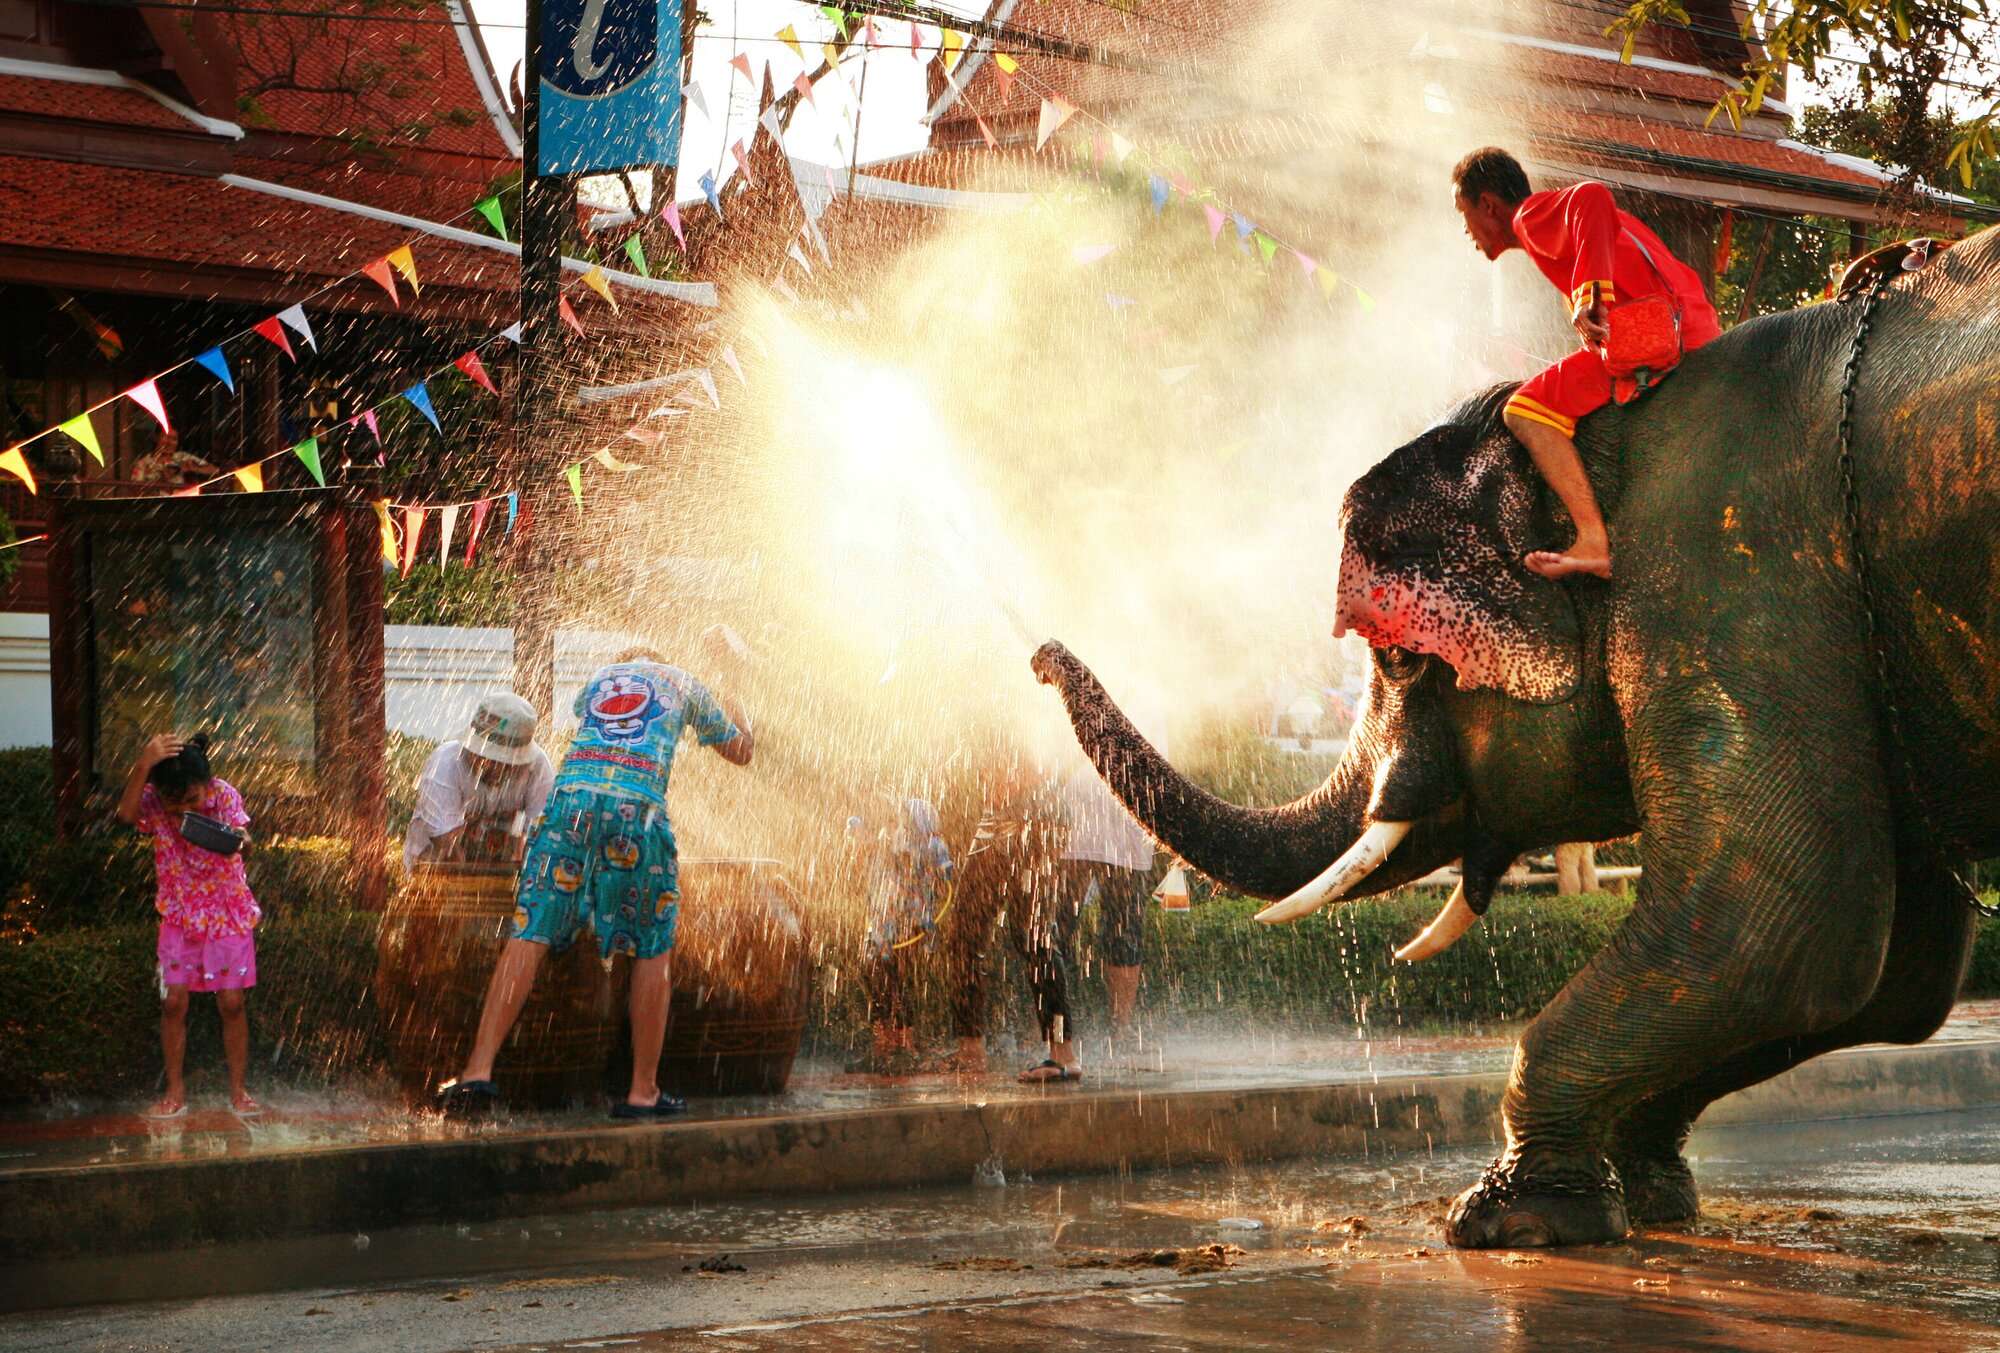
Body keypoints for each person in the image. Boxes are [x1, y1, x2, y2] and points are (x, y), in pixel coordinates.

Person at [437, 647, 753, 1119]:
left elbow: (592, 721)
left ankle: (477, 1072)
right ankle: (642, 1091)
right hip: (636, 810)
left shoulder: (603, 678)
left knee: (530, 931)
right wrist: (738, 687)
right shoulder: (686, 682)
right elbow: (742, 752)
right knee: (651, 946)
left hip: (569, 806)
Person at [1451, 147, 1722, 579]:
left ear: (1488, 205)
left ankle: (1593, 539)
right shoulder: (1557, 228)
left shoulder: (1530, 215)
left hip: (1655, 337)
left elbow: (1592, 195)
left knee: (1523, 411)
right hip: (1686, 327)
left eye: (1462, 213)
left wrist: (1590, 293)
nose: (1466, 231)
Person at [115, 732, 262, 1120]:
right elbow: (126, 816)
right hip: (179, 915)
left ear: (207, 786)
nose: (181, 813)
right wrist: (143, 764)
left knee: (231, 1003)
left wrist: (235, 840)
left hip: (226, 913)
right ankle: (175, 1089)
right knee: (173, 1002)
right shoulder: (152, 800)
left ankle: (238, 1090)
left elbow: (247, 840)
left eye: (191, 802)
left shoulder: (224, 795)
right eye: (172, 806)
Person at [938, 743, 1077, 1082]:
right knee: (975, 936)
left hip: (1022, 817)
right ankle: (975, 1049)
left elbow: (1026, 762)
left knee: (1025, 937)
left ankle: (1062, 1054)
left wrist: (1005, 780)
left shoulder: (1000, 708)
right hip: (1020, 819)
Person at [1060, 751, 1162, 1049]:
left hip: (1129, 842)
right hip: (1076, 835)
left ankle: (1122, 1029)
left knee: (1126, 933)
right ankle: (1044, 1030)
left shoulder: (1153, 715)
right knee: (1057, 931)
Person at [403, 693, 557, 871]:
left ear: (518, 760)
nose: (490, 765)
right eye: (483, 757)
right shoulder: (445, 762)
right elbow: (447, 847)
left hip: (503, 868)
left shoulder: (537, 766)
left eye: (501, 762)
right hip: (433, 867)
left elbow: (541, 837)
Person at [855, 796, 954, 1072]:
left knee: (898, 979)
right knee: (876, 976)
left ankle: (905, 1044)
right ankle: (883, 1044)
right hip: (883, 921)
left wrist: (926, 913)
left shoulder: (927, 843)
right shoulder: (889, 840)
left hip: (907, 921)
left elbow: (943, 875)